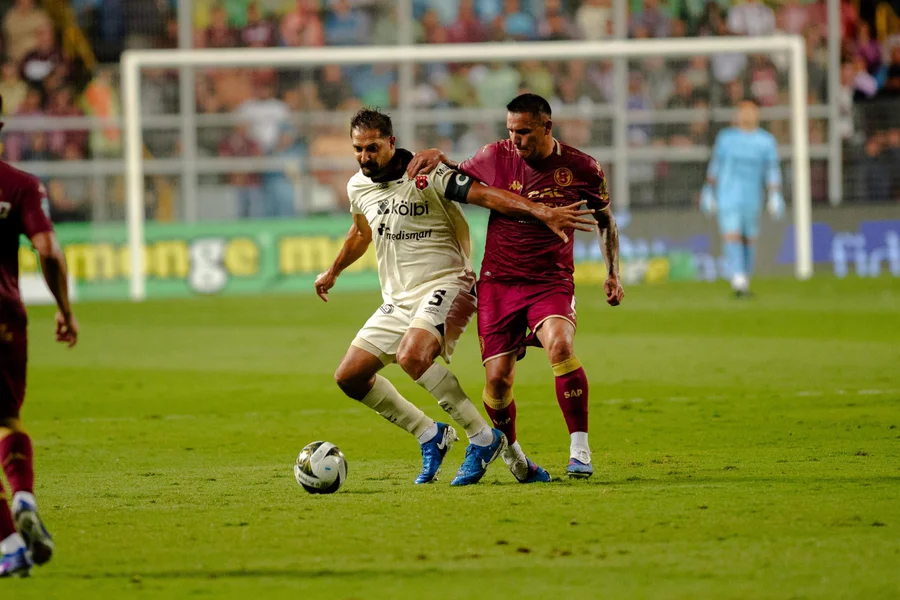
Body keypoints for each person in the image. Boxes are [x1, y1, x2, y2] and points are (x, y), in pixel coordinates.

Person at [315, 108, 596, 486]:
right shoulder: (358, 187)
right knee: (349, 377)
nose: (365, 157)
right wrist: (333, 271)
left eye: (372, 148)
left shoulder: (428, 174)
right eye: (358, 150)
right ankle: (431, 434)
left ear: (391, 142)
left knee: (412, 356)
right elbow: (361, 232)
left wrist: (540, 211)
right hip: (398, 299)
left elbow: (488, 196)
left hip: (449, 282)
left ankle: (482, 439)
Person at [406, 93, 624, 481]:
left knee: (560, 345)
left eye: (523, 132)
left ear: (546, 127)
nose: (516, 140)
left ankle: (580, 449)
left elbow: (606, 220)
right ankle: (517, 459)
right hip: (498, 283)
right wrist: (440, 155)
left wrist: (612, 273)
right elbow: (460, 173)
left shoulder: (582, 167)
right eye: (510, 131)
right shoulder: (495, 155)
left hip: (550, 281)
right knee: (498, 380)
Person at [0, 93, 78, 577]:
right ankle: (24, 497)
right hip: (6, 315)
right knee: (7, 419)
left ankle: (9, 542)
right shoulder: (20, 184)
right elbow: (47, 249)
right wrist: (64, 309)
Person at [700, 100, 784, 297]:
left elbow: (771, 170)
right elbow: (716, 165)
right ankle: (737, 278)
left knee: (748, 239)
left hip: (752, 198)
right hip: (727, 197)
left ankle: (744, 277)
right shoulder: (726, 139)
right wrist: (709, 190)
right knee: (732, 235)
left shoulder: (765, 141)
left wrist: (774, 194)